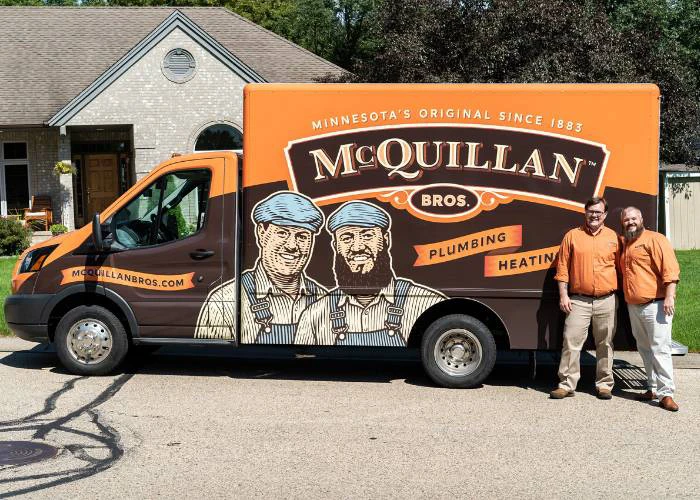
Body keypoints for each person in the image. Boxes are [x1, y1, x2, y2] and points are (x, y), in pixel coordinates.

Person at [295, 200, 444, 346]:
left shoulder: (427, 304)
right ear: (336, 246)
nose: (358, 247)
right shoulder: (314, 315)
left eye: (367, 235)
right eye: (347, 238)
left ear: (386, 240)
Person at [195, 191, 326, 343]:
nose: (292, 246)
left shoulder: (324, 300)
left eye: (302, 236)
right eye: (282, 233)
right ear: (261, 234)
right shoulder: (223, 301)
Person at [550, 197, 620, 400]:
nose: (595, 215)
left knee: (605, 343)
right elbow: (562, 268)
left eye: (599, 212)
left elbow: (622, 268)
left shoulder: (613, 237)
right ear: (585, 212)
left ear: (605, 215)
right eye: (591, 211)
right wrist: (563, 295)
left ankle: (604, 385)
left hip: (607, 300)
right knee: (571, 342)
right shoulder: (572, 236)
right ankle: (566, 384)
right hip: (578, 300)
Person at [620, 206, 680, 412]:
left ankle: (667, 393)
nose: (630, 222)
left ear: (642, 218)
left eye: (634, 218)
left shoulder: (656, 239)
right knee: (645, 349)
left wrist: (670, 296)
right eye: (627, 219)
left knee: (660, 349)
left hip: (656, 304)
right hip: (634, 306)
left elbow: (670, 269)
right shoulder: (627, 243)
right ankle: (652, 388)